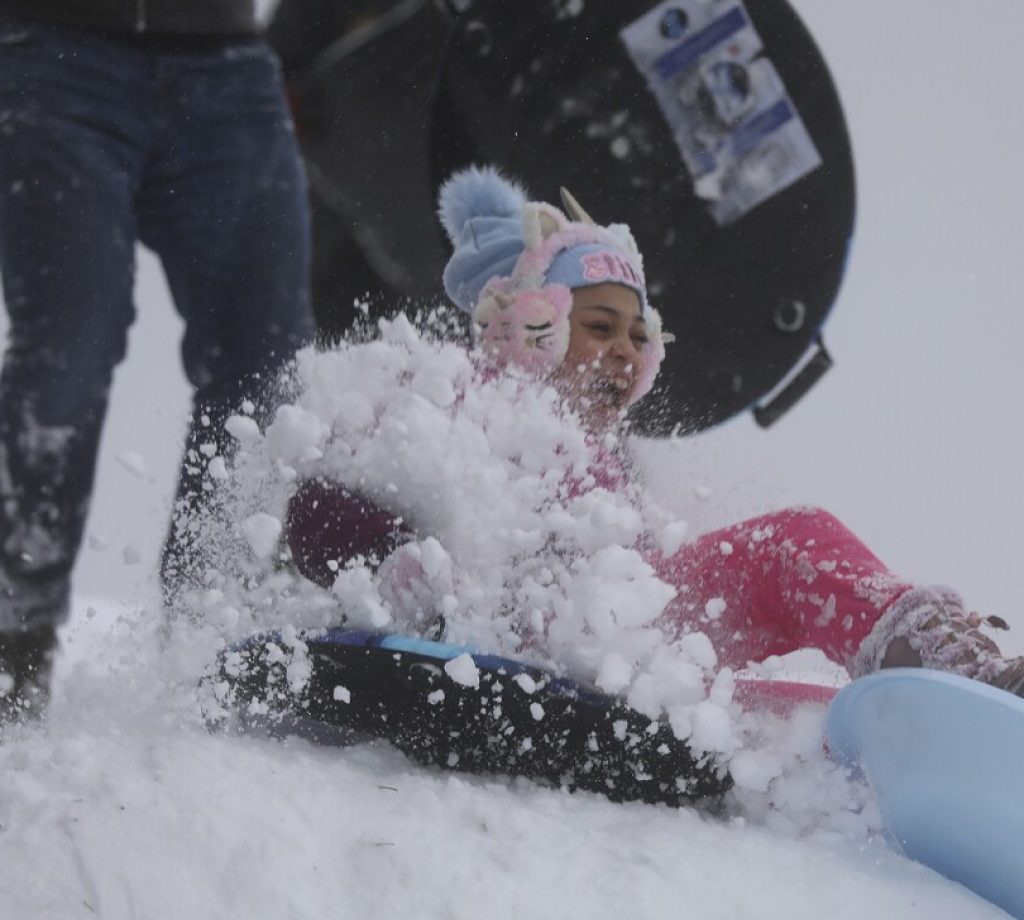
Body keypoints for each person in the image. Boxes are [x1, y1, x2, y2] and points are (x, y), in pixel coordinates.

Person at [286, 166, 1024, 698]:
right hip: (515, 625)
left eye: (638, 336)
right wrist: (403, 573)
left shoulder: (609, 468)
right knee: (788, 541)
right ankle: (944, 680)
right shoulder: (458, 400)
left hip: (622, 634)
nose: (624, 350)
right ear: (534, 326)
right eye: (598, 326)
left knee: (792, 544)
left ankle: (955, 676)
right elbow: (320, 505)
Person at [0, 2, 315, 724]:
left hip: (229, 62)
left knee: (268, 364)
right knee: (66, 357)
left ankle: (215, 642)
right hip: (53, 49)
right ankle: (14, 633)